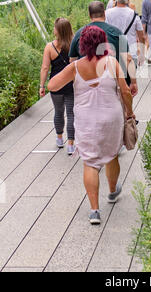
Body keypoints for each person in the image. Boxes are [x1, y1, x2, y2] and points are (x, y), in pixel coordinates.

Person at [48, 26, 135, 225]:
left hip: (86, 121)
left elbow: (53, 85)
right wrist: (129, 111)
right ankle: (112, 192)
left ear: (83, 44)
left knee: (90, 162)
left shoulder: (76, 67)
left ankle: (94, 210)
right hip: (111, 118)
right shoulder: (111, 63)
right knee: (111, 155)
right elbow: (125, 92)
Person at [69, 1, 138, 97]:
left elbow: (72, 61)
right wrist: (133, 82)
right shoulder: (117, 32)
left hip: (88, 84)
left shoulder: (79, 34)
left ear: (89, 15)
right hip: (114, 83)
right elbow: (127, 58)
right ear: (104, 13)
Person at [40, 18, 75, 155]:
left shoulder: (50, 47)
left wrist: (42, 85)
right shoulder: (74, 44)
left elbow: (44, 68)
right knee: (71, 114)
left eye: (55, 28)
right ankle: (71, 144)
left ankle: (60, 139)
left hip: (56, 85)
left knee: (58, 112)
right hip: (71, 84)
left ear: (58, 31)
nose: (53, 30)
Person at [105, 0, 145, 67]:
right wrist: (142, 54)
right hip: (131, 52)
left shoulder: (107, 14)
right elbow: (141, 36)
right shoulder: (134, 14)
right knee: (131, 78)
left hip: (113, 54)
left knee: (115, 78)